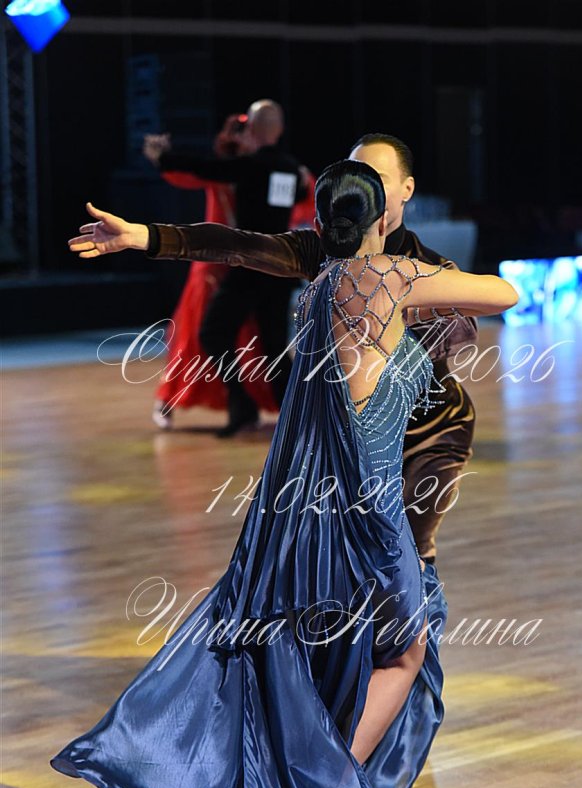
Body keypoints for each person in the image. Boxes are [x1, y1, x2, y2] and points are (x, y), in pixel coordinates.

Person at [52, 160, 517, 788]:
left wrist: (143, 235)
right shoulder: (396, 277)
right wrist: (425, 280)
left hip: (311, 513)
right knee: (405, 651)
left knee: (321, 648)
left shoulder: (320, 285)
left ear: (322, 221)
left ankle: (307, 781)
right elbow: (505, 292)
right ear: (382, 216)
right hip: (373, 515)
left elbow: (235, 245)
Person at [141, 133, 478, 565]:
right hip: (345, 441)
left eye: (376, 178)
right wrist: (144, 236)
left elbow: (467, 324)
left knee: (405, 558)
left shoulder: (430, 271)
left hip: (428, 435)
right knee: (328, 563)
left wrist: (395, 309)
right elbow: (237, 245)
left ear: (406, 189)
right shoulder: (320, 253)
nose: (364, 188)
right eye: (355, 175)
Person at [143, 115, 316, 430]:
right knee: (268, 344)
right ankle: (297, 413)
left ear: (253, 131)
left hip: (246, 265)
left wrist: (164, 157)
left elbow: (203, 168)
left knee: (223, 335)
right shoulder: (288, 168)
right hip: (271, 267)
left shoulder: (248, 167)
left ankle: (251, 406)